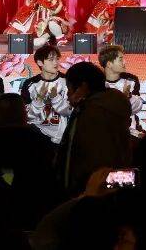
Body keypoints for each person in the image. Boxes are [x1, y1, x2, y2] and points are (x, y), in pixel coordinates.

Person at [56, 61, 132, 194]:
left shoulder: (91, 113)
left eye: (70, 88)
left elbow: (91, 158)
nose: (68, 94)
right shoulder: (109, 106)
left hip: (93, 190)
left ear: (83, 87)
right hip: (114, 187)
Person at [21, 44, 72, 143]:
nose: (56, 63)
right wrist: (39, 100)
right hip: (37, 136)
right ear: (40, 62)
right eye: (51, 60)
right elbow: (26, 115)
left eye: (57, 59)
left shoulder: (67, 81)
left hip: (63, 138)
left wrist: (55, 98)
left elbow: (71, 111)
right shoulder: (30, 84)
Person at [98, 45, 143, 135]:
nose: (124, 62)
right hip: (104, 133)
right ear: (109, 64)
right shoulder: (97, 83)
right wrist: (122, 98)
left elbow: (137, 107)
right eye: (121, 59)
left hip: (129, 133)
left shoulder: (131, 80)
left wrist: (128, 97)